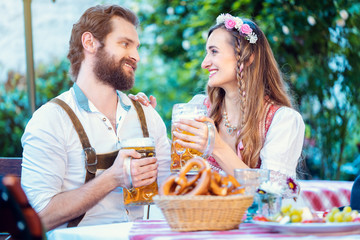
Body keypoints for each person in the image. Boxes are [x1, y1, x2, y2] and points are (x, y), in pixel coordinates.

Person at [21, 5, 170, 230]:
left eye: (136, 47)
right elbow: (38, 219)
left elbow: (174, 191)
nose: (136, 56)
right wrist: (113, 177)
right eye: (124, 44)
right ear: (89, 43)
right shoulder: (50, 121)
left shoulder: (147, 116)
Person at [132, 13, 305, 187]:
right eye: (207, 53)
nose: (204, 63)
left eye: (214, 51)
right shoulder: (199, 107)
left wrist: (214, 146)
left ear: (247, 56)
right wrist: (150, 123)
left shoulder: (283, 120)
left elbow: (273, 192)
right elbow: (177, 170)